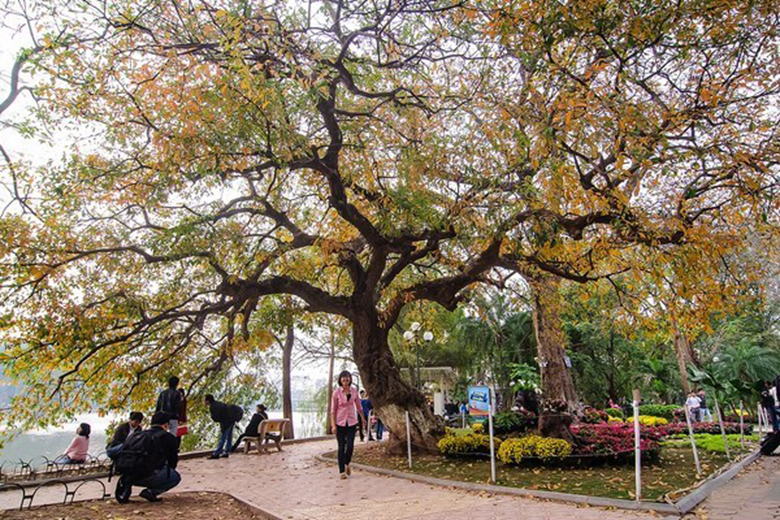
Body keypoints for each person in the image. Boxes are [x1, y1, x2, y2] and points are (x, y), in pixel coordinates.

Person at [114, 412, 180, 504]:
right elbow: (173, 461)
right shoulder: (168, 438)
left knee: (137, 472)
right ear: (165, 424)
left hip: (128, 473)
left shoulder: (138, 435)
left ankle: (126, 486)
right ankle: (151, 491)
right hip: (148, 474)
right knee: (175, 477)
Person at [330, 370, 366, 479]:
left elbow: (359, 407)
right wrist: (333, 425)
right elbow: (333, 410)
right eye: (343, 379)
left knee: (350, 445)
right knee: (341, 447)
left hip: (351, 422)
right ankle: (342, 471)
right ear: (340, 380)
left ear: (350, 379)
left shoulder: (354, 391)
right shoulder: (336, 393)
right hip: (340, 422)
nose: (345, 381)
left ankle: (346, 463)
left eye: (347, 378)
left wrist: (363, 419)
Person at [205, 394, 241, 459]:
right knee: (229, 437)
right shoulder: (219, 403)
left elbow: (216, 418)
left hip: (225, 422)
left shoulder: (213, 406)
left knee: (223, 437)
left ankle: (217, 453)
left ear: (208, 401)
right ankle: (226, 452)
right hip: (231, 420)